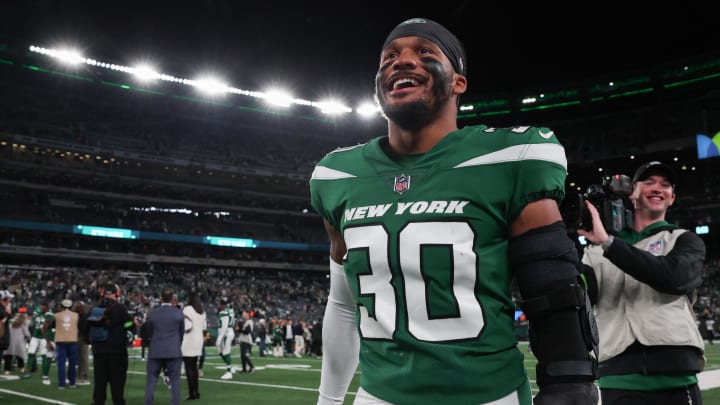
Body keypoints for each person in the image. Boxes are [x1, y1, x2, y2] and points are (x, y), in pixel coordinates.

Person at [309, 17, 599, 405]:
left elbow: (553, 289)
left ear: (458, 81)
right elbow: (344, 305)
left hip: (489, 396)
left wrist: (570, 385)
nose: (403, 61)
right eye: (390, 56)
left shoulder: (508, 158)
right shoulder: (336, 175)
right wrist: (327, 401)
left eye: (424, 51)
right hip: (378, 396)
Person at [577, 161, 706, 405]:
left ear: (672, 197)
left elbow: (674, 277)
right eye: (649, 182)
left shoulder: (684, 240)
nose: (658, 188)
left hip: (675, 375)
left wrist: (610, 244)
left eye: (665, 185)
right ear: (631, 191)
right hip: (617, 377)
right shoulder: (595, 249)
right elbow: (582, 299)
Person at [90, 282, 134, 405]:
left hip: (99, 353)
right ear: (117, 294)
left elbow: (86, 328)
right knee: (117, 388)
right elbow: (130, 325)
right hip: (117, 353)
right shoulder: (120, 309)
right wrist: (126, 325)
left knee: (99, 386)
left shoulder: (95, 309)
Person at [144, 288, 184, 405]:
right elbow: (181, 334)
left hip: (156, 350)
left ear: (160, 299)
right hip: (173, 350)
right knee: (175, 382)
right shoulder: (178, 313)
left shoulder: (153, 313)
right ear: (172, 300)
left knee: (151, 381)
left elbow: (149, 332)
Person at [181, 293, 206, 400]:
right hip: (199, 339)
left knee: (188, 367)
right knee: (194, 367)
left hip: (188, 339)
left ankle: (192, 393)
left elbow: (184, 324)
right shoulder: (202, 311)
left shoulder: (187, 309)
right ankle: (196, 391)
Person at [54, 299, 79, 389]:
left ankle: (62, 384)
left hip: (60, 342)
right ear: (71, 306)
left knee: (61, 364)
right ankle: (72, 383)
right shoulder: (76, 315)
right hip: (72, 341)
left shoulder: (56, 315)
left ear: (61, 306)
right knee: (72, 364)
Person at [24, 301, 51, 379]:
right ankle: (28, 372)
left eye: (43, 307)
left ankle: (44, 373)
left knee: (44, 355)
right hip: (35, 336)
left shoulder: (49, 315)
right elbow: (32, 324)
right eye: (41, 307)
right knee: (30, 353)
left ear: (47, 308)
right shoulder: (37, 313)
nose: (41, 309)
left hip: (44, 337)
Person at [3, 307, 30, 375]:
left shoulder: (11, 320)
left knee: (8, 355)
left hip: (9, 340)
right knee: (20, 355)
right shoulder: (24, 322)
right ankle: (22, 368)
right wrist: (29, 338)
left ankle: (7, 370)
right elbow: (26, 333)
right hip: (19, 341)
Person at [216, 298, 235, 380]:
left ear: (223, 305)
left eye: (220, 304)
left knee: (225, 352)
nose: (218, 305)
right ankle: (230, 367)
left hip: (226, 334)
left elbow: (224, 326)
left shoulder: (224, 312)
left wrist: (220, 337)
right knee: (220, 351)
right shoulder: (230, 311)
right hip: (228, 332)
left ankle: (229, 372)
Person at [75, 300, 92, 385]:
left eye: (78, 305)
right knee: (80, 359)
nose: (76, 307)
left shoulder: (85, 315)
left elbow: (85, 328)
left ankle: (86, 377)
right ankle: (79, 376)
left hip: (83, 339)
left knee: (84, 359)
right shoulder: (78, 315)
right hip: (79, 338)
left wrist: (81, 337)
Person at [237, 310, 255, 374]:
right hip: (243, 340)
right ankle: (244, 369)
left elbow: (247, 332)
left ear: (247, 314)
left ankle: (252, 366)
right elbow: (242, 331)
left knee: (245, 355)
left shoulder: (249, 322)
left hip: (247, 340)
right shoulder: (246, 322)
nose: (242, 314)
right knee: (242, 356)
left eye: (244, 313)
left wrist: (240, 329)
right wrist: (239, 329)